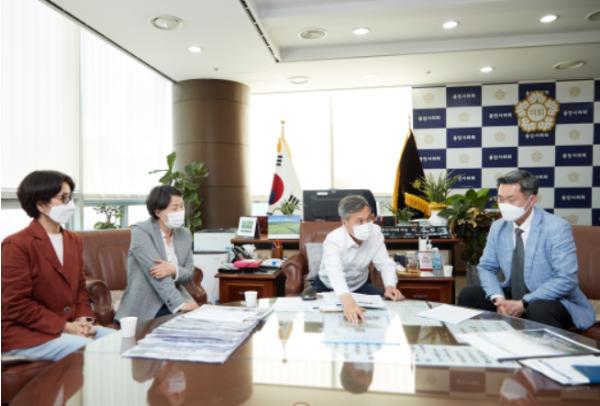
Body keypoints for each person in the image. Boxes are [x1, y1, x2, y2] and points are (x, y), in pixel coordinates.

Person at [458, 169, 595, 330]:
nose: (504, 205)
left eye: (511, 199)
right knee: (469, 295)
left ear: (532, 199)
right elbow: (487, 267)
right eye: (500, 199)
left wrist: (524, 302)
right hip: (512, 295)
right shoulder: (498, 227)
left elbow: (566, 279)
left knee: (538, 309)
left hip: (551, 300)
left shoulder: (556, 227)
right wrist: (498, 299)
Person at [2, 170, 114, 362]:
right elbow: (16, 304)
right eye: (63, 198)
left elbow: (80, 288)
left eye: (70, 197)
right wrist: (66, 327)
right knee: (89, 349)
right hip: (26, 333)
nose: (70, 204)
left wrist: (83, 320)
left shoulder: (73, 240)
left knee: (118, 340)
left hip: (67, 327)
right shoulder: (16, 245)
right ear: (41, 204)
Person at [313, 195, 404, 323]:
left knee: (386, 306)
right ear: (345, 222)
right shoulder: (334, 240)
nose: (366, 225)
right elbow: (335, 272)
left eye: (369, 219)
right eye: (360, 221)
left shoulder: (375, 232)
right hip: (328, 286)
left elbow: (384, 263)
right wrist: (347, 300)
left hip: (359, 286)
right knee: (319, 317)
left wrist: (390, 286)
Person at [116, 185, 199, 322]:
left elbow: (189, 273)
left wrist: (173, 269)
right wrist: (179, 304)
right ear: (158, 212)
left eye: (182, 206)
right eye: (174, 208)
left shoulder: (185, 234)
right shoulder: (141, 232)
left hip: (175, 296)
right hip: (146, 304)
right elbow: (158, 276)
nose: (180, 211)